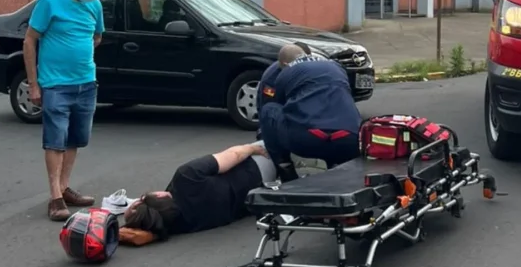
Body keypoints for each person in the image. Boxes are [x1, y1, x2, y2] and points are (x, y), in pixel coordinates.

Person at [24, 0, 108, 221]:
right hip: (55, 84)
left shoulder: (94, 4)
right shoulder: (49, 0)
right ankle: (55, 197)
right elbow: (29, 40)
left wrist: (80, 55)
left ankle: (64, 187)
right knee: (55, 140)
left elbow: (97, 36)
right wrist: (34, 84)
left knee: (75, 138)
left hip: (86, 82)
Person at [122, 141, 276, 240]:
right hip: (258, 168)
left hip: (262, 195)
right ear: (160, 196)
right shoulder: (187, 178)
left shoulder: (176, 226)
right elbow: (233, 155)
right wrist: (252, 148)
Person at [259, 44, 362, 181]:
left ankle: (285, 169)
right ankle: (338, 166)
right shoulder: (335, 66)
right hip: (350, 139)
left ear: (284, 64)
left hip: (307, 139)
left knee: (269, 110)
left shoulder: (284, 72)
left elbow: (280, 105)